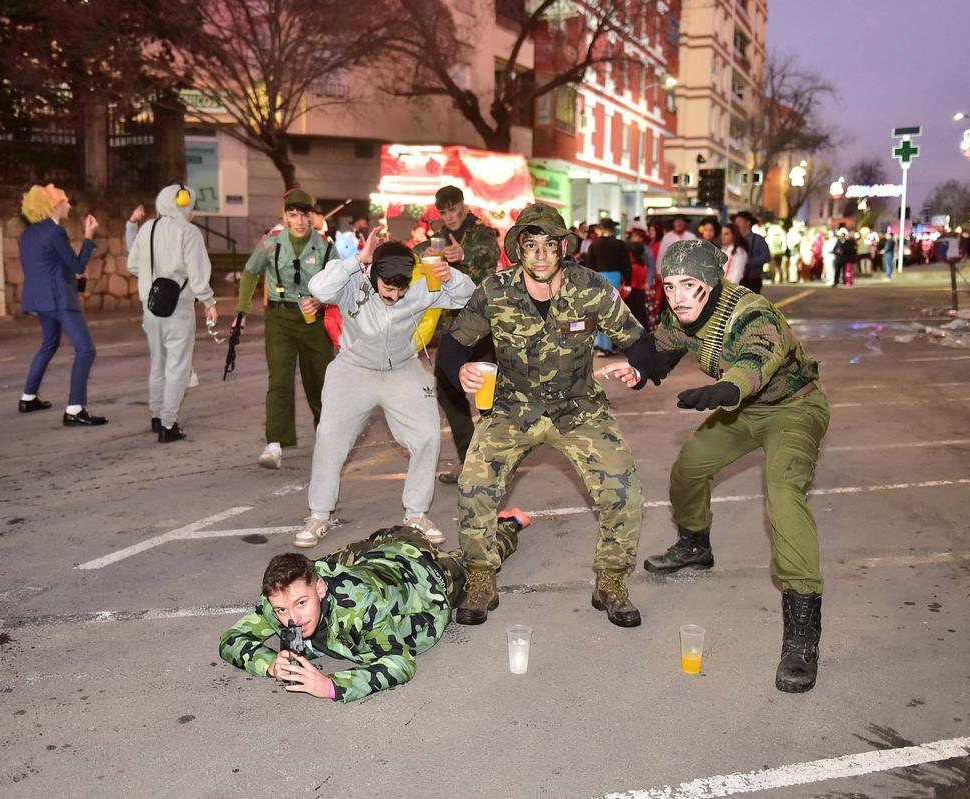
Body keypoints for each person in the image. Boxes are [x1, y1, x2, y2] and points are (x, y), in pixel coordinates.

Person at [604, 238, 830, 693]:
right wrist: (639, 370)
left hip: (792, 409)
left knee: (784, 498)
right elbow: (666, 341)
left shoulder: (752, 313)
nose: (678, 297)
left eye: (689, 285)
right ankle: (695, 544)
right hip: (741, 411)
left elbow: (754, 362)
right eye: (669, 287)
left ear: (713, 281)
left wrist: (725, 391)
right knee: (687, 469)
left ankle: (802, 631)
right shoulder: (684, 309)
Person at [437, 203, 667, 628]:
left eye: (549, 245)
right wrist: (460, 369)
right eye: (531, 246)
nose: (541, 255)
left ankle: (611, 582)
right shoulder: (495, 289)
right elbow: (454, 345)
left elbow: (639, 341)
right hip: (511, 407)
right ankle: (481, 577)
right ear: (518, 251)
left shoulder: (591, 286)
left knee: (624, 491)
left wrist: (636, 370)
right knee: (473, 486)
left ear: (563, 247)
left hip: (577, 407)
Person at [219, 514, 529, 702]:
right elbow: (232, 639)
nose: (292, 620)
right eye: (281, 610)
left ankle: (509, 524)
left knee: (477, 561)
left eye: (301, 604)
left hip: (424, 576)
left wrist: (330, 686)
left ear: (320, 589)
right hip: (373, 553)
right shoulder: (281, 595)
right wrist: (270, 664)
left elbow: (400, 662)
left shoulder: (358, 607)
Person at [296, 229, 475, 548]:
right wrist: (356, 261)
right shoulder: (354, 281)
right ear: (374, 274)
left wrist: (450, 276)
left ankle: (416, 513)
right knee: (329, 437)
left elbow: (467, 296)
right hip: (353, 368)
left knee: (427, 436)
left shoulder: (421, 286)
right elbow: (318, 288)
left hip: (402, 368)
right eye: (387, 290)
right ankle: (319, 515)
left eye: (400, 291)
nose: (394, 298)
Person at [235, 189, 335, 469]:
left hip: (314, 323)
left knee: (320, 383)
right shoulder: (270, 243)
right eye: (293, 215)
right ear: (285, 217)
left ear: (313, 218)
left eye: (305, 215)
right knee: (279, 380)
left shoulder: (326, 247)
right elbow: (250, 272)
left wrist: (322, 300)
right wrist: (242, 310)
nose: (300, 221)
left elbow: (341, 282)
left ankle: (326, 440)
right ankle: (274, 444)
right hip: (280, 319)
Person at [413, 185, 502, 485]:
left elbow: (491, 252)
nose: (450, 216)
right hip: (452, 328)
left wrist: (463, 254)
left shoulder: (481, 232)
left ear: (464, 206)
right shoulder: (437, 237)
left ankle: (495, 459)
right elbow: (415, 257)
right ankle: (468, 458)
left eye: (454, 209)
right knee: (448, 391)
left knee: (488, 395)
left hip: (483, 324)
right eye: (444, 211)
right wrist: (423, 254)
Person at [126, 183, 218, 442]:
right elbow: (198, 273)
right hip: (178, 308)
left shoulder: (147, 229)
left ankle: (156, 416)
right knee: (177, 366)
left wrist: (151, 277)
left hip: (151, 307)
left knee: (158, 363)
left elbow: (133, 264)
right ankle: (168, 424)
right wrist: (209, 302)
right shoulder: (189, 232)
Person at [17, 183, 106, 426]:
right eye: (66, 200)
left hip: (39, 299)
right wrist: (89, 236)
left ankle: (28, 397)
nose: (69, 204)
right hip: (59, 299)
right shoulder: (55, 232)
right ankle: (75, 409)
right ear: (55, 206)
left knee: (49, 344)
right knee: (86, 350)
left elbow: (47, 265)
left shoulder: (29, 233)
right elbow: (77, 266)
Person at [585, 218, 632, 354]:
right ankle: (610, 345)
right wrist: (628, 283)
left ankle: (599, 344)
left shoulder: (594, 244)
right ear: (612, 229)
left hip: (598, 279)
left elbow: (588, 265)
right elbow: (626, 265)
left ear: (601, 229)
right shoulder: (620, 244)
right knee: (612, 311)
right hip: (614, 279)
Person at [732, 211, 769, 293]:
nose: (737, 224)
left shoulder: (758, 239)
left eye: (740, 221)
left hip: (752, 280)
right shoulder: (734, 240)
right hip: (735, 280)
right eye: (736, 222)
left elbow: (766, 257)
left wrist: (750, 261)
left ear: (748, 223)